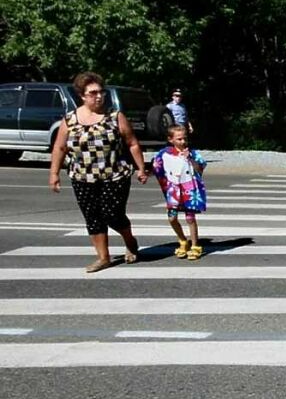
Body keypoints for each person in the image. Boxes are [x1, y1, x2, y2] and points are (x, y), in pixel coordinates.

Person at [49, 72, 149, 273]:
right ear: (82, 96)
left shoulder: (115, 117)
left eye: (101, 92)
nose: (99, 96)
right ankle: (103, 257)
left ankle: (129, 241)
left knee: (112, 214)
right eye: (93, 93)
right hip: (82, 177)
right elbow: (59, 148)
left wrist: (141, 168)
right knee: (92, 217)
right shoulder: (69, 120)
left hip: (115, 175)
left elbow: (132, 143)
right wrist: (54, 174)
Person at [152, 125, 208, 260]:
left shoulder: (192, 153)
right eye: (179, 139)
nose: (183, 142)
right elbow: (156, 166)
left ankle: (195, 245)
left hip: (189, 188)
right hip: (174, 189)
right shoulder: (164, 153)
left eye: (185, 138)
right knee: (172, 217)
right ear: (170, 140)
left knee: (190, 218)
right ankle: (182, 240)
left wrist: (190, 158)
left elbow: (200, 168)